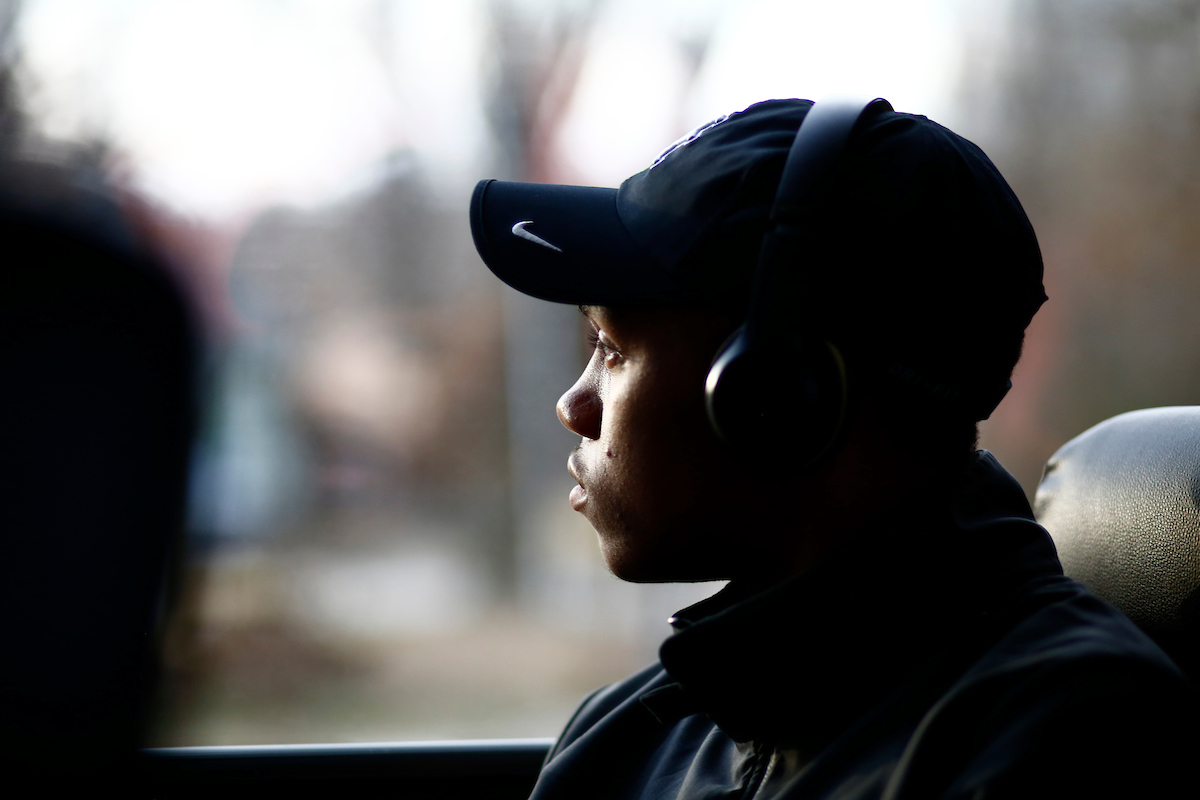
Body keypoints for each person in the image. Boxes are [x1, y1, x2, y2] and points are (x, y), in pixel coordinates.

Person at [468, 98, 1195, 799]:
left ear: (775, 394)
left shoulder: (1070, 740)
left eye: (611, 349)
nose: (573, 406)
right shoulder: (628, 730)